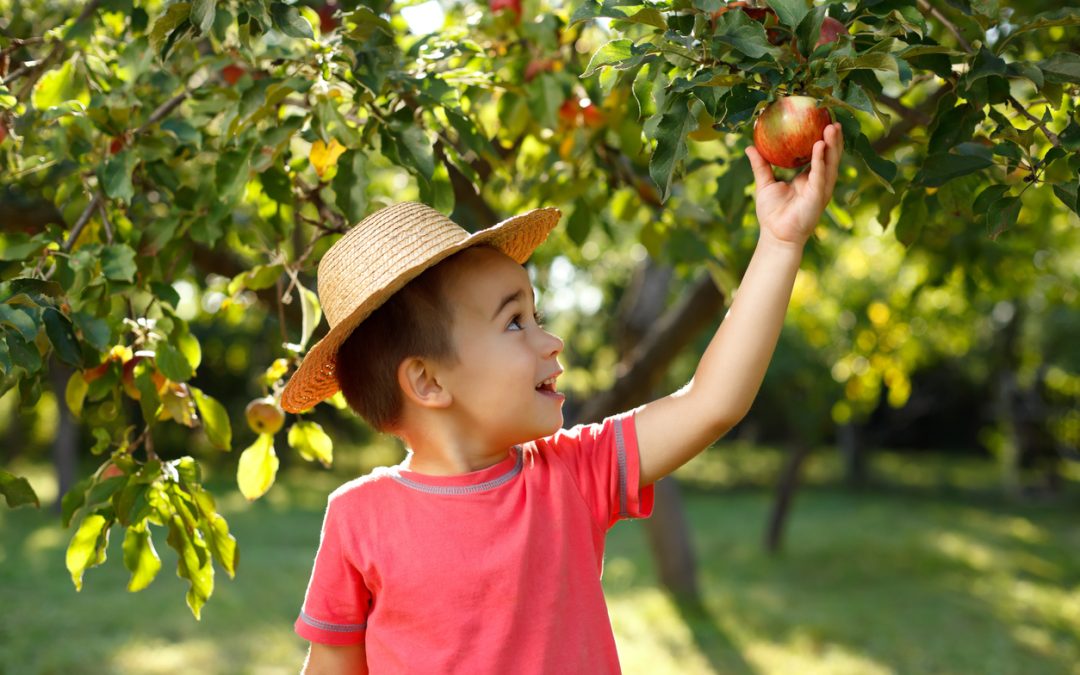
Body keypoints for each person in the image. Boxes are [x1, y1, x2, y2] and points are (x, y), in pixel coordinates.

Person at [281, 124, 844, 674]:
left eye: (537, 315)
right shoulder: (359, 518)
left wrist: (780, 241)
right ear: (428, 382)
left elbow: (712, 402)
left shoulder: (572, 475)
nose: (551, 340)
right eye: (513, 324)